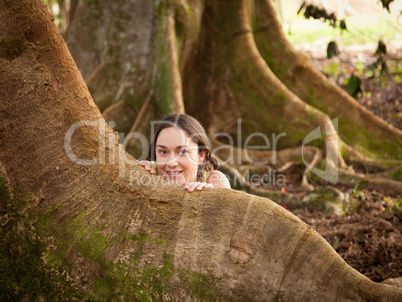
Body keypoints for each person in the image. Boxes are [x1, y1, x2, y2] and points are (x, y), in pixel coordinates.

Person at [139, 114, 231, 192]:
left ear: (201, 155)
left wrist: (209, 198)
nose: (171, 163)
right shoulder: (150, 172)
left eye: (182, 152)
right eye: (163, 152)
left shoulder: (215, 181)